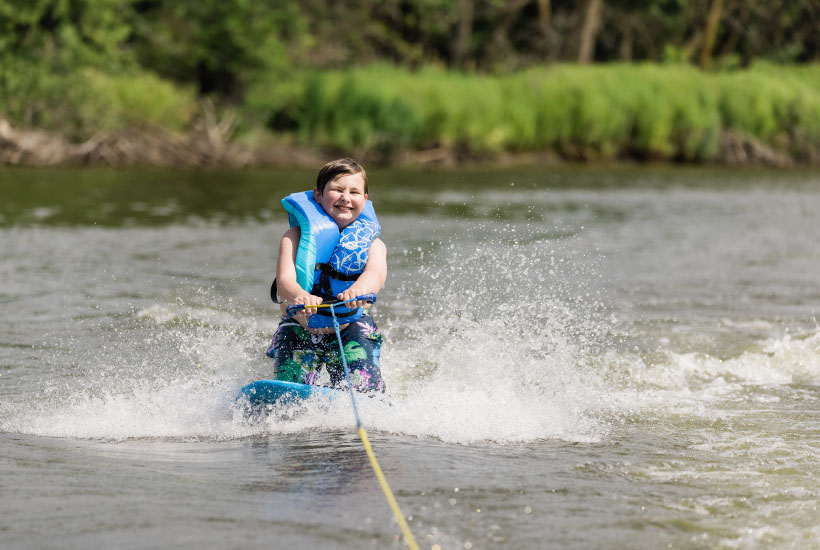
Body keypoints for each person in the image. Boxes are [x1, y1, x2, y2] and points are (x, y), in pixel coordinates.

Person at [266, 158, 387, 392]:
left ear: (365, 199)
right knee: (290, 387)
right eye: (337, 189)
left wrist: (360, 289)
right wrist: (300, 295)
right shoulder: (293, 237)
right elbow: (285, 281)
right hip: (301, 325)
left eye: (354, 191)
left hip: (350, 327)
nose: (346, 197)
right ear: (318, 195)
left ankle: (367, 395)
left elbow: (376, 274)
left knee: (364, 389)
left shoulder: (374, 244)